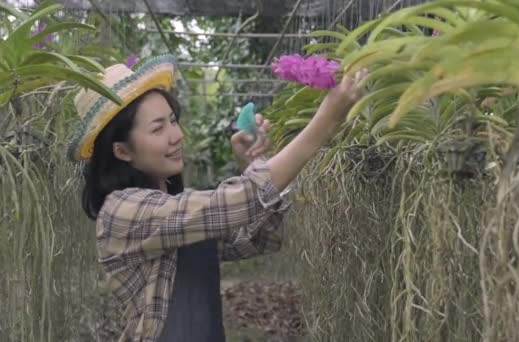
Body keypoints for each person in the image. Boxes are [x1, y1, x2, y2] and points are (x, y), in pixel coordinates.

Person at [67, 54, 367, 341]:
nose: (176, 135)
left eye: (173, 120)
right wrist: (327, 119)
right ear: (122, 151)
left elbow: (257, 240)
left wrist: (252, 164)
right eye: (158, 128)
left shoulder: (178, 209)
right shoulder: (121, 211)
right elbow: (238, 201)